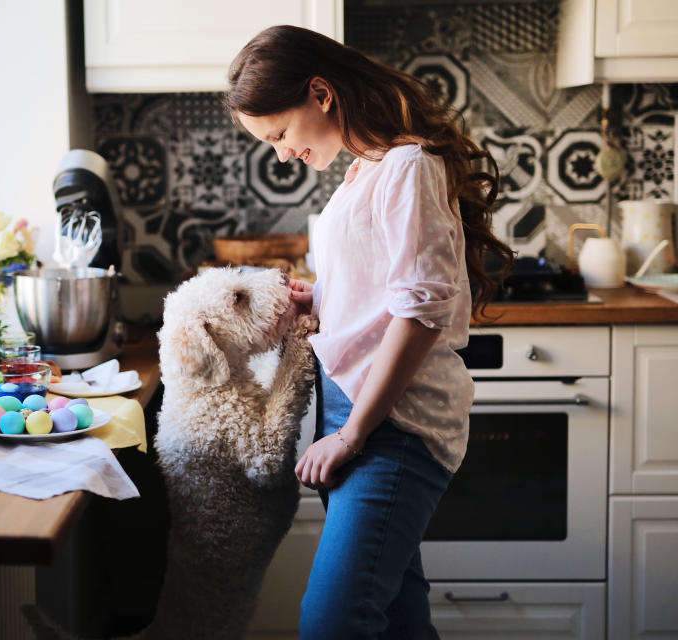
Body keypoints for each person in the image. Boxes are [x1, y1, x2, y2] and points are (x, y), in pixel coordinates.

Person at [226, 25, 514, 639]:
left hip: (392, 425)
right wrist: (322, 296)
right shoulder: (367, 171)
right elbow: (385, 291)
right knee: (399, 620)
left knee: (331, 624)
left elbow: (419, 313)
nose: (281, 153)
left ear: (321, 93)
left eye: (279, 134)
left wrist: (352, 437)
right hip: (355, 414)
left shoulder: (409, 165)